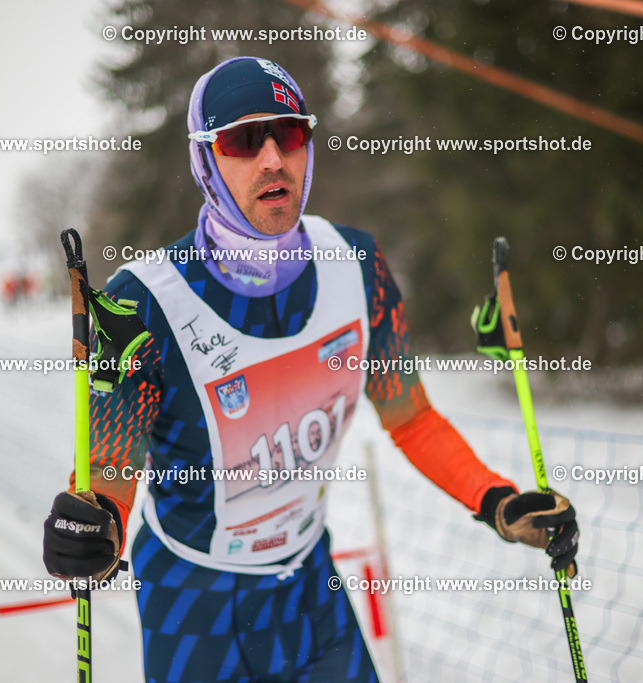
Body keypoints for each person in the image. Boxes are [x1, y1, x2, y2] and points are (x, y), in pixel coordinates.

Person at [43, 56, 579, 682]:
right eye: (243, 139)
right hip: (194, 603)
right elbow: (109, 474)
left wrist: (498, 501)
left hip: (309, 586)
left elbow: (413, 419)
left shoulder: (357, 266)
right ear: (204, 160)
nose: (272, 158)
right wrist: (94, 528)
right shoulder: (144, 301)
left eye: (289, 133)